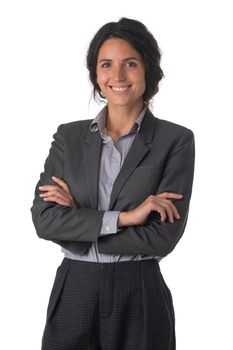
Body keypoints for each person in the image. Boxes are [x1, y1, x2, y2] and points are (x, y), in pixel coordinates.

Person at [30, 17, 195, 350]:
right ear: (96, 74)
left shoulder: (175, 140)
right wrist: (125, 218)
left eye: (130, 64)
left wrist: (80, 225)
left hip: (139, 289)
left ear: (148, 69)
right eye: (106, 65)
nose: (117, 76)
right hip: (75, 286)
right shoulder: (69, 137)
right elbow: (44, 220)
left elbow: (162, 238)